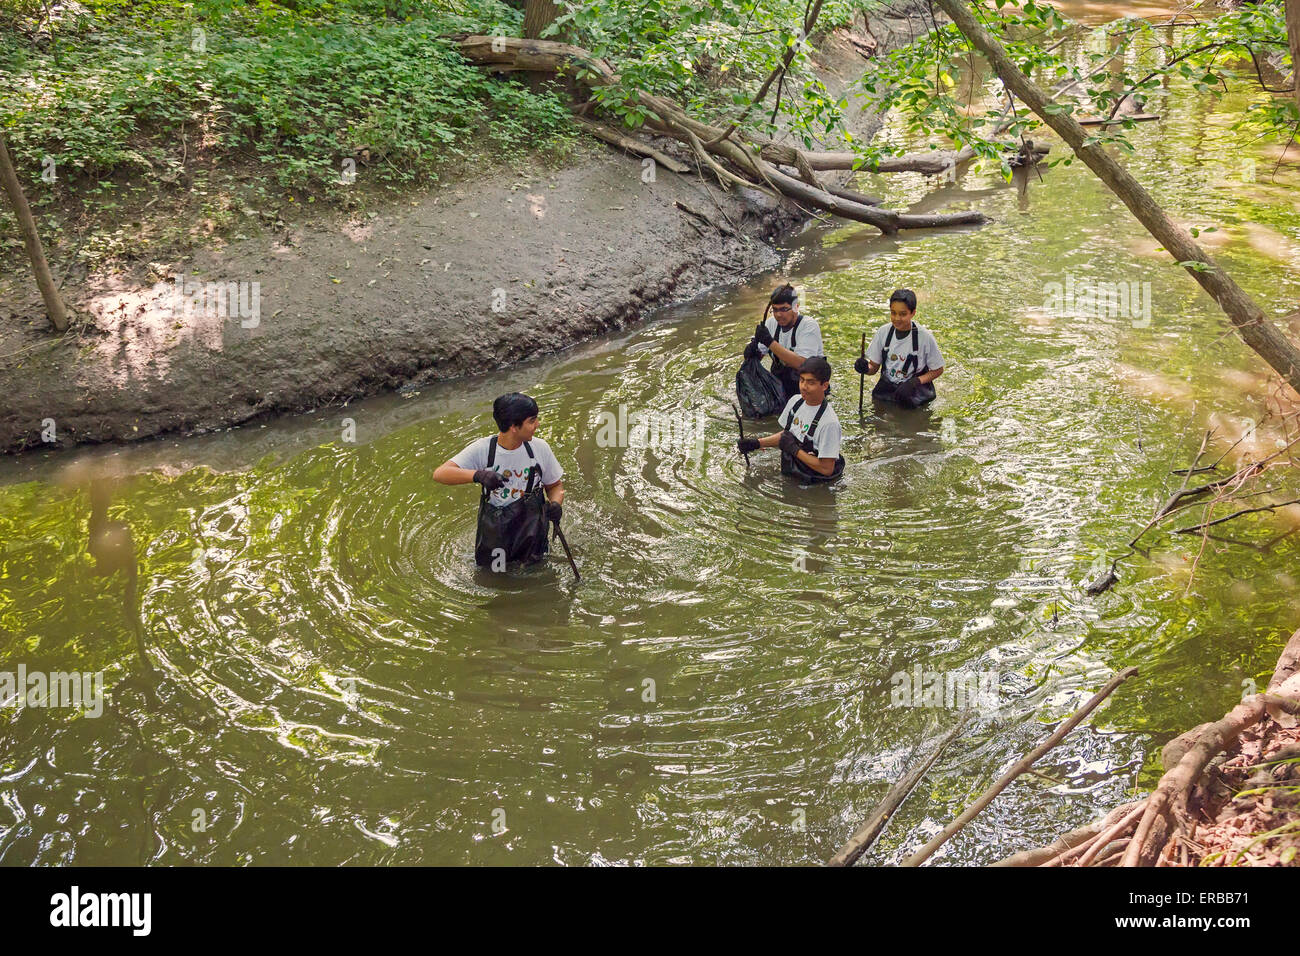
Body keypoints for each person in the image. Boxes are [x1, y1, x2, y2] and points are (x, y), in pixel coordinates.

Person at [433, 393, 565, 569]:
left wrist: (556, 504)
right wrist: (478, 475)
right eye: (532, 420)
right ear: (514, 426)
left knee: (536, 572)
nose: (537, 424)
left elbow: (555, 486)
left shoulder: (539, 449)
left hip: (532, 531)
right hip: (495, 534)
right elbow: (440, 474)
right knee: (493, 575)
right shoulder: (483, 449)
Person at [737, 357, 844, 482]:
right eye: (802, 380)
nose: (804, 387)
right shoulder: (795, 401)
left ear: (825, 386)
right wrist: (756, 443)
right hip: (792, 473)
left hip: (815, 483)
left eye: (811, 382)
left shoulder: (829, 424)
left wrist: (795, 450)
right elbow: (787, 436)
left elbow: (826, 469)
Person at [854, 289, 944, 408]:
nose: (897, 318)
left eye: (902, 314)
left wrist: (915, 382)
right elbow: (874, 368)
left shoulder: (925, 337)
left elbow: (938, 370)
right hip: (886, 390)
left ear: (913, 313)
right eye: (893, 313)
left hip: (913, 392)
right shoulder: (883, 332)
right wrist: (865, 368)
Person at [745, 283, 825, 403]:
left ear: (796, 307)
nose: (778, 315)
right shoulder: (771, 323)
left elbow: (803, 364)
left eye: (783, 309)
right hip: (781, 387)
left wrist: (770, 342)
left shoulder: (809, 326)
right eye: (775, 310)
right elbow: (758, 357)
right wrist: (752, 352)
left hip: (808, 389)